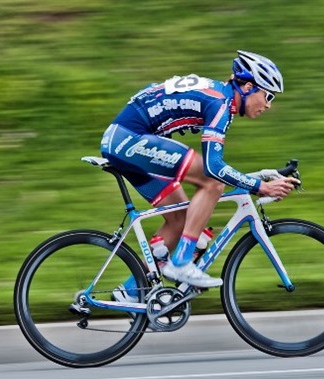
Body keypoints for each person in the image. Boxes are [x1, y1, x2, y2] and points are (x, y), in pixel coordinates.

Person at [101, 50, 300, 302]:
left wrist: (259, 176)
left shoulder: (219, 96)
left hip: (122, 140)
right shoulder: (221, 103)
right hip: (129, 139)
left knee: (181, 219)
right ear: (248, 87)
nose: (268, 104)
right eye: (267, 95)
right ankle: (182, 262)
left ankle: (131, 291)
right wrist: (260, 186)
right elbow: (214, 168)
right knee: (212, 182)